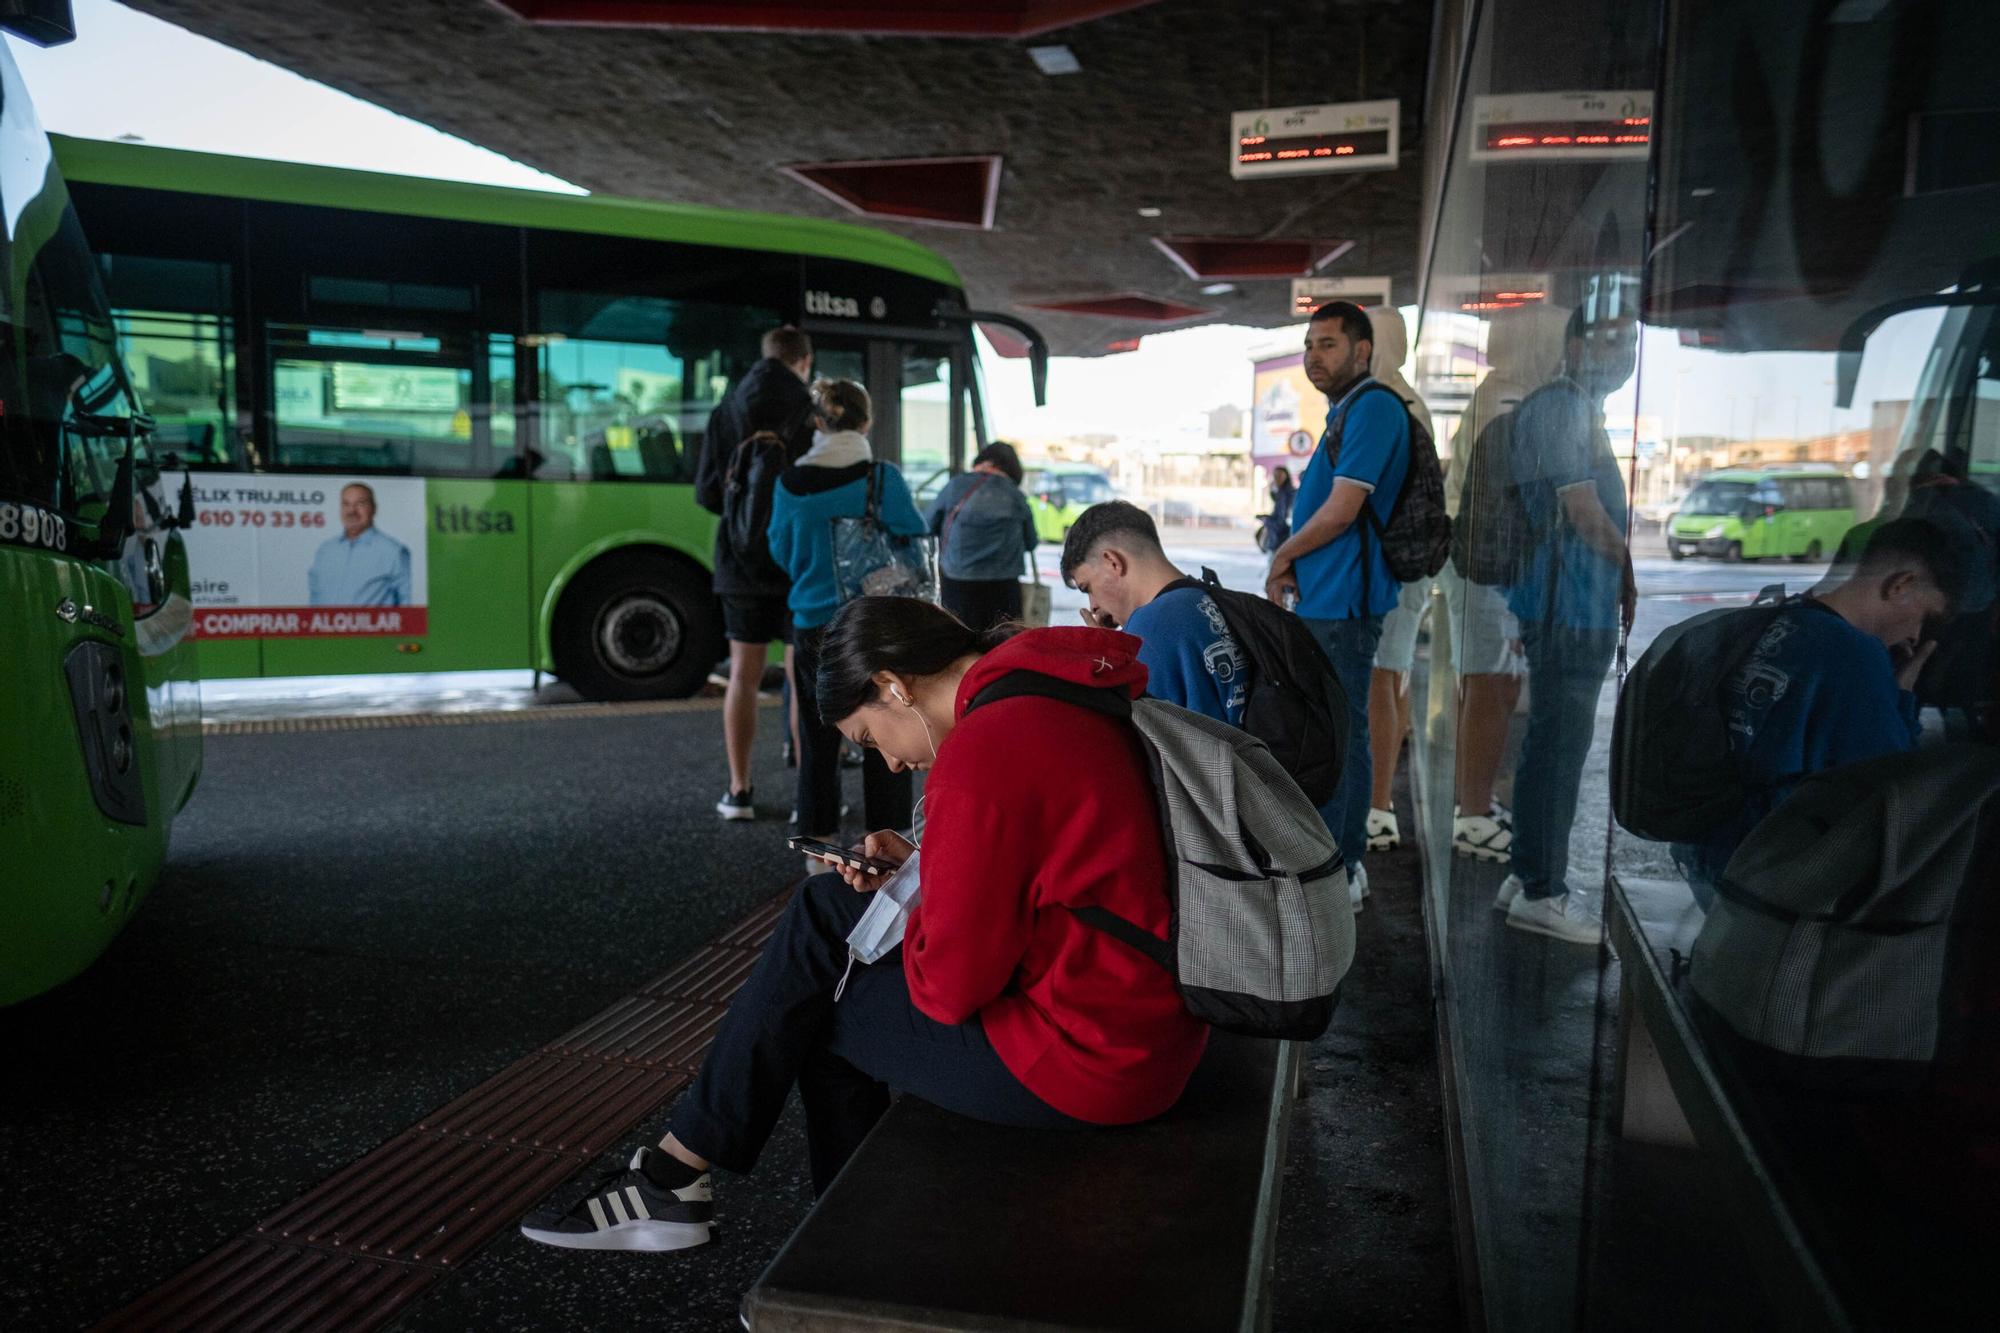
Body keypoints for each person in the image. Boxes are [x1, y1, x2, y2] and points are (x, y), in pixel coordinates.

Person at [518, 599, 1207, 1250]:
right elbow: (1053, 863)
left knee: (816, 1011)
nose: (891, 761)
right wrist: (931, 863)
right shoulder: (1049, 691)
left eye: (869, 737)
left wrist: (921, 903)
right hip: (1145, 1012)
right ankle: (685, 1177)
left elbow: (949, 989)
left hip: (1093, 1058)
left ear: (893, 686)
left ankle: (837, 1249)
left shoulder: (985, 751)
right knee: (824, 915)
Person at [1670, 517, 1963, 905]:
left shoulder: (1778, 617)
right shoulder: (1855, 656)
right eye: (1926, 619)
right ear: (1901, 585)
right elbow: (1888, 790)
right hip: (1772, 876)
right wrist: (1903, 695)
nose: (1914, 638)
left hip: (1710, 850)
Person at [1494, 306, 1638, 943]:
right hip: (1569, 606)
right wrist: (1628, 571)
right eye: (1608, 339)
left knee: (1550, 743)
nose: (1623, 353)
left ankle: (1526, 873)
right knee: (1560, 750)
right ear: (1573, 345)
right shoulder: (1563, 408)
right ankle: (1541, 889)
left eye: (1629, 342)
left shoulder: (1575, 406)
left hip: (1566, 602)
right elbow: (1582, 511)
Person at [1266, 301, 1411, 909]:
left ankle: (1343, 868)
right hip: (1327, 599)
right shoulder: (1343, 412)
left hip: (1346, 606)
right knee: (1331, 728)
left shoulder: (1374, 407)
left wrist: (1283, 555)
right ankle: (1335, 863)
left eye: (1327, 344)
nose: (1313, 356)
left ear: (1362, 351)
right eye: (1308, 344)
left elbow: (1343, 509)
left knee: (1342, 735)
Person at [767, 378, 926, 843]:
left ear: (818, 423)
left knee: (817, 739)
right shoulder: (881, 478)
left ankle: (818, 845)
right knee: (887, 731)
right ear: (866, 422)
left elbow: (779, 551)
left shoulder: (788, 484)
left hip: (813, 624)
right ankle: (888, 839)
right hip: (874, 626)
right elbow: (914, 544)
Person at [1440, 305, 1567, 863]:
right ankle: (1470, 813)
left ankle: (1475, 802)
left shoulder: (1500, 391)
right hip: (1488, 567)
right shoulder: (1509, 400)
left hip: (1482, 564)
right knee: (1490, 686)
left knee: (1491, 684)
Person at [694, 326, 817, 823]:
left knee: (742, 677)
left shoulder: (727, 410)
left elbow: (705, 493)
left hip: (739, 564)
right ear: (803, 361)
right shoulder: (809, 409)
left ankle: (739, 790)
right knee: (799, 674)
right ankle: (807, 799)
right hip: (795, 562)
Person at [1060, 500, 1246, 728]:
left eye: (1088, 588)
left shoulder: (1151, 627)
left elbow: (1131, 740)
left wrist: (1108, 663)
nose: (1094, 606)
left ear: (1112, 563)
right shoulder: (1206, 597)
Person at [1359, 306, 1435, 853]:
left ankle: (1377, 805)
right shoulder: (1410, 400)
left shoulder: (1385, 405)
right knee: (1395, 679)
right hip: (1406, 571)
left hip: (1385, 569)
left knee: (1377, 682)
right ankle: (1380, 803)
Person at [927, 440, 1038, 634]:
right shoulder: (1015, 495)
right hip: (1004, 585)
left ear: (982, 460)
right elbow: (1031, 542)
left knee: (960, 638)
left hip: (958, 582)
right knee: (1003, 641)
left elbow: (929, 525)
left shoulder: (955, 486)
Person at [308, 482, 410, 606]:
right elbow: (314, 600)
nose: (352, 511)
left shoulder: (394, 551)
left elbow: (408, 605)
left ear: (374, 508)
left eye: (360, 504)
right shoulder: (325, 550)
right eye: (346, 504)